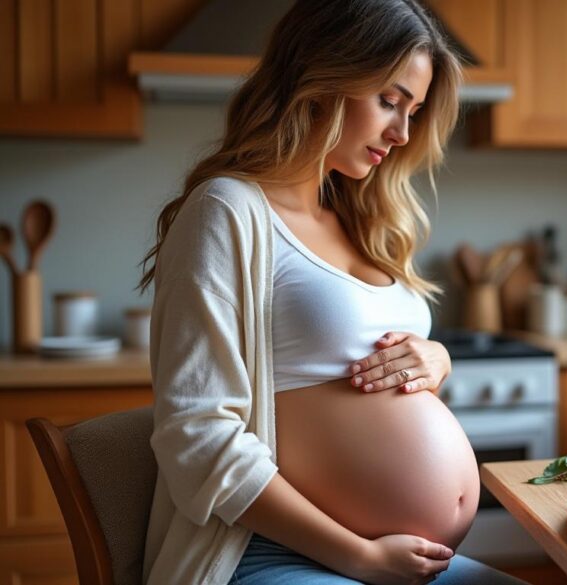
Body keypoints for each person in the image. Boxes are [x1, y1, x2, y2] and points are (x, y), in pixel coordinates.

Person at [137, 1, 526, 583]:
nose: (402, 133)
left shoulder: (357, 215)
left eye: (414, 111)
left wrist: (436, 358)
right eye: (390, 101)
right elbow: (197, 434)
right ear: (323, 77)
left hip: (395, 560)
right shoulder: (228, 210)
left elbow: (360, 359)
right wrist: (358, 556)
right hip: (266, 553)